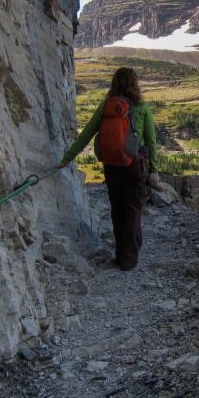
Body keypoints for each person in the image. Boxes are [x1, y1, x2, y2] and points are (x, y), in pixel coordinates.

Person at [59, 67, 160, 270]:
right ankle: (128, 259)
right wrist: (155, 169)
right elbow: (151, 141)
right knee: (133, 210)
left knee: (118, 210)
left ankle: (122, 253)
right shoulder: (141, 107)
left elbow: (86, 134)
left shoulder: (106, 106)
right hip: (135, 165)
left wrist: (67, 158)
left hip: (112, 166)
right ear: (135, 84)